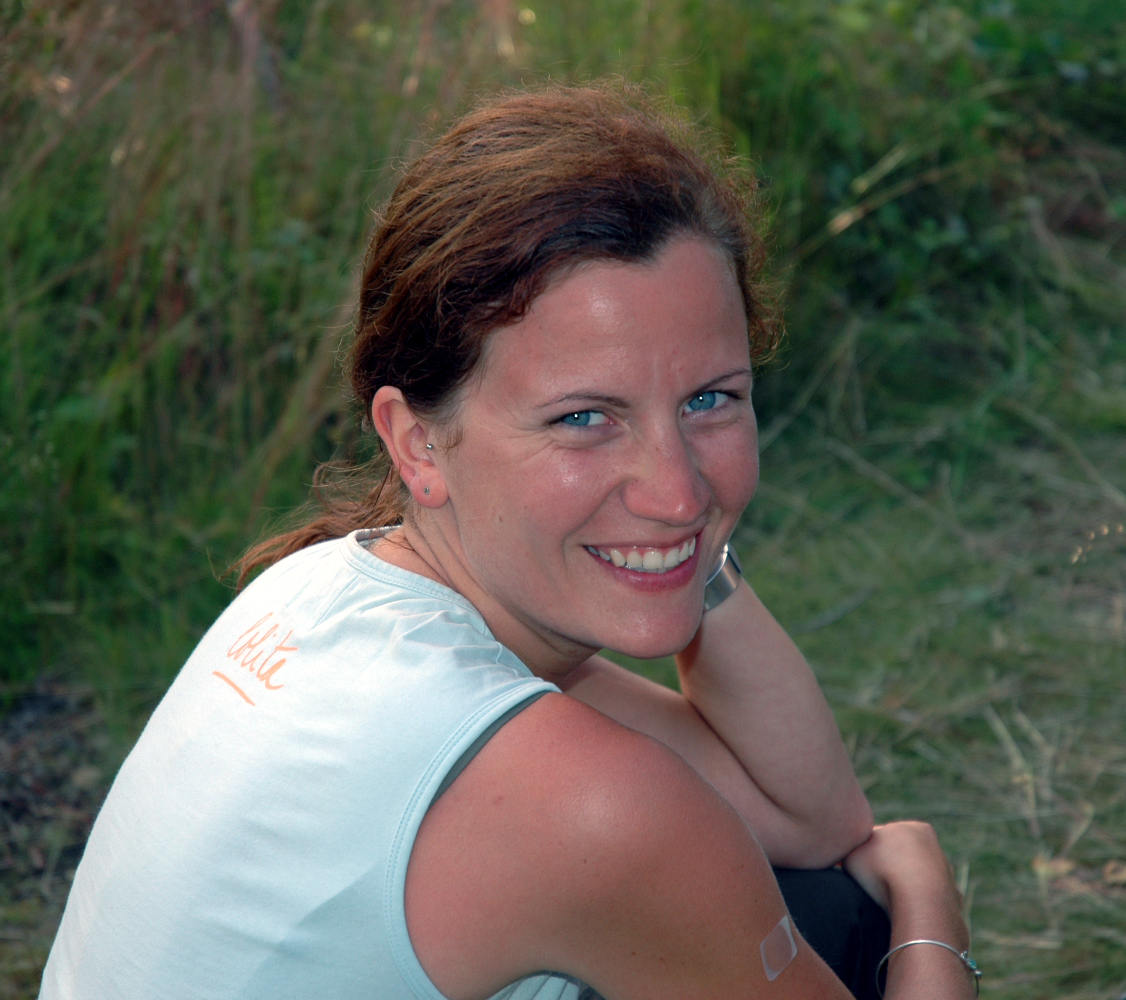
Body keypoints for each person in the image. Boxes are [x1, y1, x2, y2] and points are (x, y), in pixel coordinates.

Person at [40, 85, 978, 1000]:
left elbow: (808, 821)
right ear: (417, 443)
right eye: (583, 418)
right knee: (852, 923)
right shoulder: (584, 803)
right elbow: (844, 849)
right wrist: (931, 907)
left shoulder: (322, 587)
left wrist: (689, 553)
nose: (676, 485)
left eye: (709, 399)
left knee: (816, 902)